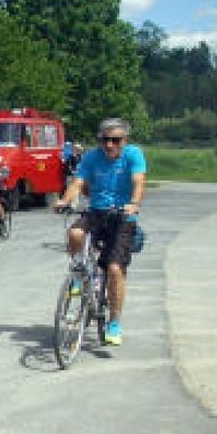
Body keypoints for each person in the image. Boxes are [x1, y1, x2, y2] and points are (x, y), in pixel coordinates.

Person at [52, 118, 146, 346]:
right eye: (105, 140)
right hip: (97, 212)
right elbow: (78, 182)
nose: (110, 145)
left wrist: (134, 203)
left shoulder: (133, 155)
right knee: (75, 234)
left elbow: (138, 181)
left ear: (125, 140)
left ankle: (114, 321)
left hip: (123, 216)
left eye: (116, 140)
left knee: (114, 270)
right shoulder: (92, 157)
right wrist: (65, 200)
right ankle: (78, 276)